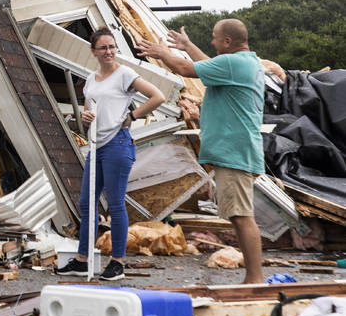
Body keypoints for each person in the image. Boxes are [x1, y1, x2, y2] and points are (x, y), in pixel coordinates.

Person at [138, 19, 265, 284]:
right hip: (237, 151)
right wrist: (187, 45)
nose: (212, 41)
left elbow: (185, 68)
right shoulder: (241, 62)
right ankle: (252, 277)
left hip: (235, 153)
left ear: (227, 42)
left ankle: (255, 278)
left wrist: (164, 54)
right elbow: (208, 62)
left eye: (215, 37)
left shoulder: (234, 63)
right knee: (238, 215)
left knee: (242, 216)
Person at [54, 28, 166, 281]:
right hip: (97, 145)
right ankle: (83, 260)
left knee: (115, 204)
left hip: (118, 144)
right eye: (103, 48)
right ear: (93, 51)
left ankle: (117, 262)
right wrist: (85, 117)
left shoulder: (124, 74)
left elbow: (157, 96)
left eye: (112, 47)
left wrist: (132, 116)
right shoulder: (91, 79)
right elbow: (88, 112)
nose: (109, 52)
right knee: (86, 203)